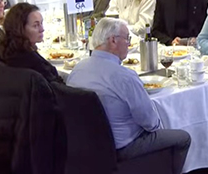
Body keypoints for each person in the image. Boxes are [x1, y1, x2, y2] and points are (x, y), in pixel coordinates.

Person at [67, 17, 191, 162]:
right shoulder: (124, 77)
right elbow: (150, 123)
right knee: (183, 137)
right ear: (113, 40)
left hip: (86, 143)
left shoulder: (77, 69)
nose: (129, 43)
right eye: (127, 38)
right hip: (122, 147)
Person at [0, 2, 63, 84]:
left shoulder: (6, 50)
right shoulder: (29, 59)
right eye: (35, 25)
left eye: (41, 23)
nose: (42, 29)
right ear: (20, 29)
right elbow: (56, 87)